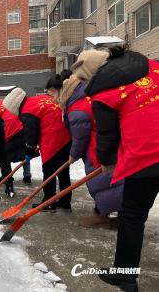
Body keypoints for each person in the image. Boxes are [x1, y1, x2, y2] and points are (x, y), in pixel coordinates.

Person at [72, 47, 159, 291]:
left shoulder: (104, 92)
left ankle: (126, 275)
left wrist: (107, 162)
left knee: (132, 216)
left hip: (147, 154)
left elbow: (107, 135)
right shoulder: (151, 67)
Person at [58, 73, 123, 229]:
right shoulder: (87, 98)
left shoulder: (76, 108)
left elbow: (80, 138)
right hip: (111, 145)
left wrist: (73, 154)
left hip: (97, 150)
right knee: (114, 181)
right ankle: (112, 213)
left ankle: (104, 215)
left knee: (103, 182)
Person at [3, 87, 72, 211]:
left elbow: (31, 135)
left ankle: (49, 201)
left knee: (49, 170)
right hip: (66, 136)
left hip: (53, 139)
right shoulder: (40, 99)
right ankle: (65, 201)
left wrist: (29, 151)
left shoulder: (27, 110)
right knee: (63, 171)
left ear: (15, 106)